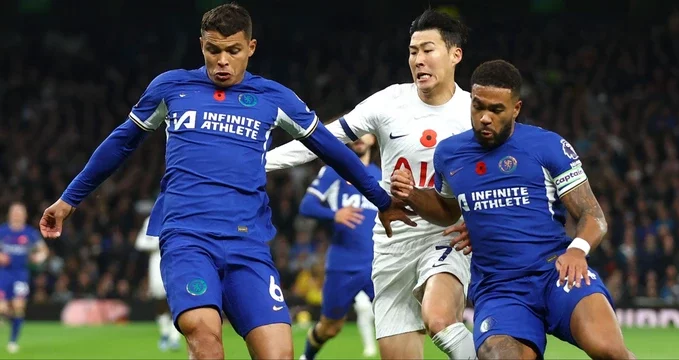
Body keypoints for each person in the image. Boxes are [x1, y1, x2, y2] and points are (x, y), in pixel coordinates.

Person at [37, 4, 413, 360]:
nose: (222, 61)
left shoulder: (274, 97)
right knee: (205, 340)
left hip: (248, 242)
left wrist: (381, 199)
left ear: (250, 47)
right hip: (187, 237)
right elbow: (120, 143)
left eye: (233, 50)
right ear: (201, 44)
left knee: (278, 352)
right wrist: (69, 199)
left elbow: (333, 150)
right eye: (213, 49)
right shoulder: (171, 88)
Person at [265, 9, 476, 360]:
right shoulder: (388, 102)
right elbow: (322, 139)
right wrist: (256, 163)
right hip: (392, 246)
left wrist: (481, 220)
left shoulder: (473, 111)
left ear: (455, 54)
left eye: (428, 49)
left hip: (446, 237)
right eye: (413, 51)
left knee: (439, 320)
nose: (418, 60)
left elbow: (510, 171)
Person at [390, 59, 635, 359]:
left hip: (558, 271)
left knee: (610, 350)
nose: (484, 118)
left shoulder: (546, 146)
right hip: (499, 289)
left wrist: (577, 250)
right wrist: (412, 194)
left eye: (496, 110)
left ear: (515, 108)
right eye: (478, 107)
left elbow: (593, 216)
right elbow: (446, 210)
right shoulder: (449, 155)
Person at [298, 134, 379, 360]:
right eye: (354, 133)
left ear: (373, 138)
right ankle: (306, 357)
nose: (359, 138)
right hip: (343, 263)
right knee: (330, 327)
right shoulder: (334, 171)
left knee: (398, 323)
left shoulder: (382, 176)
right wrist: (334, 214)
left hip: (378, 264)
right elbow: (306, 205)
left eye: (364, 132)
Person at [0, 202, 49, 354]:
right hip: (3, 274)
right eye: (14, 212)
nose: (17, 215)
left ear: (24, 215)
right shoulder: (2, 231)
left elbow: (43, 251)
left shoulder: (30, 233)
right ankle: (7, 317)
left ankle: (13, 341)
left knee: (19, 306)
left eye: (20, 212)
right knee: (2, 308)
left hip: (21, 274)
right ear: (10, 214)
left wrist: (38, 257)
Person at [134, 215, 181, 352]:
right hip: (157, 262)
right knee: (160, 300)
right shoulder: (151, 219)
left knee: (176, 299)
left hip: (177, 260)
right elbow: (140, 242)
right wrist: (159, 242)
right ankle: (165, 333)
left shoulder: (179, 213)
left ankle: (174, 338)